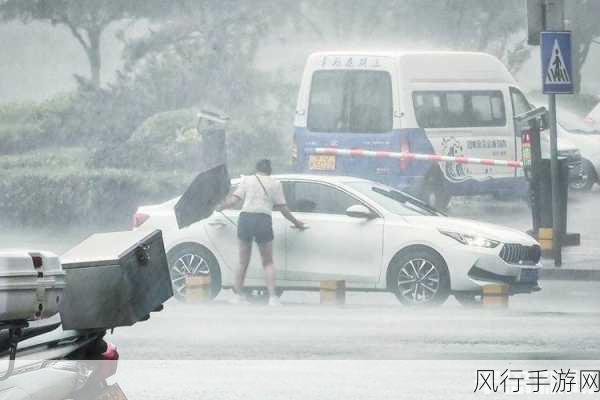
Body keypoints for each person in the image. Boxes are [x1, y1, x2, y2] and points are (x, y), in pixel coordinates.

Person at [217, 159, 305, 306]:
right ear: (270, 169)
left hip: (245, 219)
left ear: (256, 168)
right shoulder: (275, 184)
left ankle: (238, 296)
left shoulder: (246, 180)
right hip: (263, 219)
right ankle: (272, 298)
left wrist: (221, 206)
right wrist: (296, 223)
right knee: (268, 261)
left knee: (243, 261)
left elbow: (233, 200)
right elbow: (283, 209)